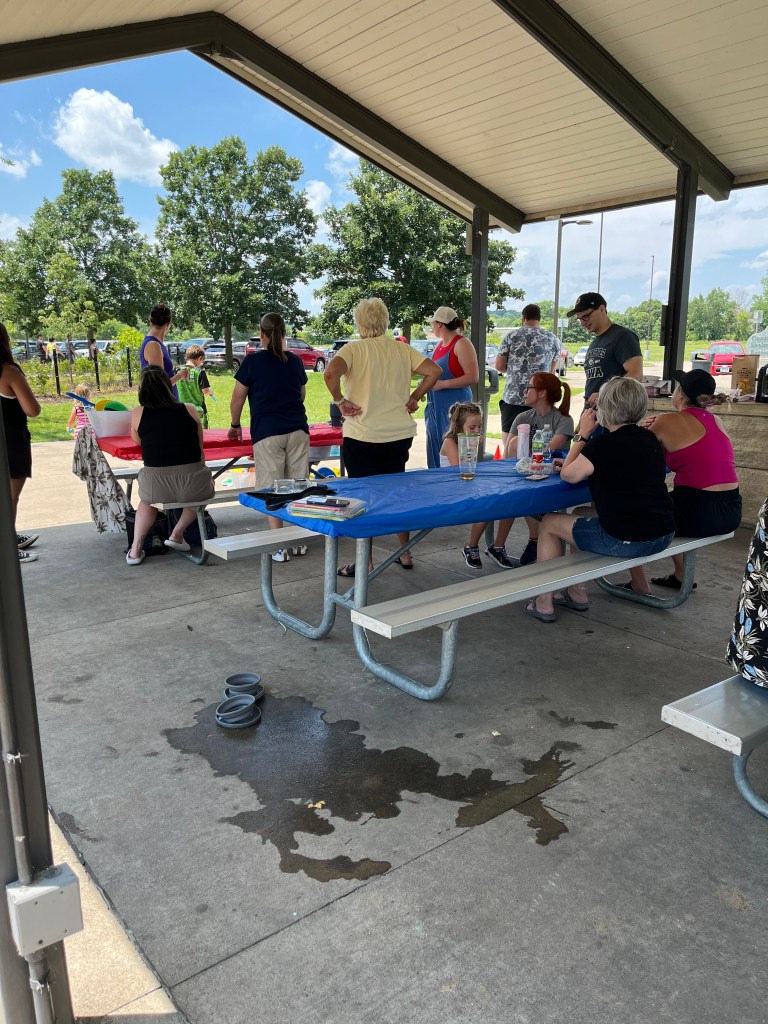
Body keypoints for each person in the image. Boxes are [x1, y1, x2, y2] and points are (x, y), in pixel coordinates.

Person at [524, 376, 675, 623]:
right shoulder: (648, 438)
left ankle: (544, 601)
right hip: (662, 534)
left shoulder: (603, 445)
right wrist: (578, 458)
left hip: (627, 540)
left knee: (550, 522)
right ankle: (577, 592)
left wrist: (582, 435)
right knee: (581, 514)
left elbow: (569, 475)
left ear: (606, 408)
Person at [323, 297, 441, 576]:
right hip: (398, 434)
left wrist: (340, 401)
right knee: (396, 493)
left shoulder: (353, 349)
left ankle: (365, 560)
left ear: (360, 323)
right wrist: (415, 397)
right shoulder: (402, 349)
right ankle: (405, 552)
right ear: (385, 321)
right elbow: (434, 371)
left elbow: (329, 374)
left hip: (362, 434)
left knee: (363, 498)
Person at [625, 368, 741, 595]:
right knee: (666, 505)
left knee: (628, 512)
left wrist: (645, 430)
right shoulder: (717, 421)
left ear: (680, 395)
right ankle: (681, 575)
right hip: (731, 510)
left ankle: (639, 583)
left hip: (698, 512)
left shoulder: (666, 420)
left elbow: (634, 457)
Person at [229, 312, 310, 561]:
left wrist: (235, 424)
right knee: (298, 487)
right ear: (284, 333)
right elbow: (302, 395)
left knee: (271, 489)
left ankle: (279, 546)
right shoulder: (295, 361)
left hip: (267, 432)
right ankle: (298, 541)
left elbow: (237, 398)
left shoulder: (252, 362)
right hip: (298, 429)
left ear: (261, 334)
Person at [126, 366, 214, 566]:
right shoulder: (189, 409)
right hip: (193, 481)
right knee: (204, 492)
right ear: (168, 387)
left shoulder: (139, 412)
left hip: (155, 484)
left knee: (146, 503)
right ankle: (177, 533)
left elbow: (138, 440)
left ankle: (135, 550)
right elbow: (199, 446)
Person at [501, 371, 575, 567]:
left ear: (542, 393)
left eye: (529, 388)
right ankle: (524, 541)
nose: (524, 392)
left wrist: (526, 457)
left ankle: (534, 540)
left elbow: (549, 450)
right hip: (526, 477)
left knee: (526, 493)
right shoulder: (522, 417)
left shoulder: (563, 420)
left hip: (551, 479)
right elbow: (509, 453)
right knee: (517, 490)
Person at [0, 322, 41, 563]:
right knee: (9, 499)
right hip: (12, 440)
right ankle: (7, 548)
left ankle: (9, 537)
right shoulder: (9, 372)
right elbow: (32, 409)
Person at [438, 400, 496, 569]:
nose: (477, 431)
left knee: (495, 499)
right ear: (459, 426)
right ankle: (471, 545)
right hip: (450, 490)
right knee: (486, 504)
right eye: (472, 427)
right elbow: (460, 468)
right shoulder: (450, 441)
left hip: (463, 486)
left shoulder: (470, 439)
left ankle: (493, 546)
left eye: (480, 426)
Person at [495, 304, 560, 449]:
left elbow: (499, 366)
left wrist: (514, 369)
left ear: (523, 318)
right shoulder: (553, 339)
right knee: (539, 443)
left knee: (510, 443)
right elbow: (551, 372)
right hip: (540, 398)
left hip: (514, 397)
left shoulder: (511, 336)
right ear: (539, 318)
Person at [424, 306, 479, 469]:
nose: (432, 326)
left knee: (455, 452)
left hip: (455, 408)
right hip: (436, 408)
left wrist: (444, 384)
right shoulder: (439, 345)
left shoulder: (462, 344)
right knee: (435, 451)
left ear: (440, 324)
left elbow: (473, 377)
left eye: (433, 323)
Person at [565, 292, 643, 405]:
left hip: (612, 409)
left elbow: (636, 374)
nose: (582, 323)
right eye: (580, 319)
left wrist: (604, 394)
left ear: (602, 309)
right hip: (593, 408)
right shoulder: (595, 342)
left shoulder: (622, 336)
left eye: (586, 316)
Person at [139, 303, 188, 397]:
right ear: (169, 323)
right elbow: (159, 385)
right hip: (162, 403)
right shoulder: (153, 345)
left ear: (151, 320)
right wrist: (179, 376)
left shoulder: (156, 344)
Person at [177, 344, 214, 428]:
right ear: (200, 358)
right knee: (199, 430)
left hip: (181, 407)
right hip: (197, 409)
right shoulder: (199, 371)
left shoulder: (178, 370)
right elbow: (205, 390)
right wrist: (211, 392)